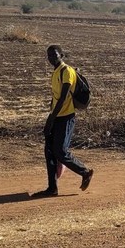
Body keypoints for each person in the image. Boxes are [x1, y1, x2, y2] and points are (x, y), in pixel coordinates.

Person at [34, 45, 93, 197]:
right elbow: (54, 98)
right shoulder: (55, 73)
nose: (51, 58)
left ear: (62, 55)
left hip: (65, 118)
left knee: (60, 151)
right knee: (50, 152)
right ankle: (52, 188)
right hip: (56, 117)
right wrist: (51, 117)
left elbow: (63, 98)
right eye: (49, 56)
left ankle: (85, 172)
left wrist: (50, 120)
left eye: (54, 55)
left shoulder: (67, 71)